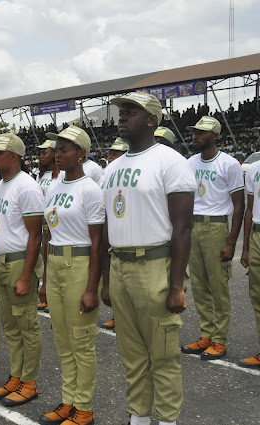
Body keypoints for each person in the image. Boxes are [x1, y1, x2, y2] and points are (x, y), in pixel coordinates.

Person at [102, 92, 195, 425]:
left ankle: (168, 421)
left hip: (155, 264)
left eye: (132, 112)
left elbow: (182, 228)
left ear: (152, 120)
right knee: (132, 356)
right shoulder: (112, 168)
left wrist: (177, 286)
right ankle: (139, 418)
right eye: (122, 111)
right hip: (120, 264)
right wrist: (107, 281)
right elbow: (108, 227)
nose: (123, 116)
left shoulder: (170, 161)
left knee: (163, 356)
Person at [39, 125, 104, 425]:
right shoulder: (54, 187)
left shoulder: (90, 189)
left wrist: (92, 288)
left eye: (64, 150)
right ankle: (68, 401)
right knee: (63, 341)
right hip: (55, 263)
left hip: (79, 264)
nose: (57, 155)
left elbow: (98, 243)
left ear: (81, 154)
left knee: (81, 342)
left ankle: (84, 407)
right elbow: (49, 235)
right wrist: (45, 278)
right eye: (56, 150)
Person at [0, 133, 44, 407]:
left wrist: (26, 276)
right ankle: (16, 376)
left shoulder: (27, 186)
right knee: (10, 326)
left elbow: (35, 236)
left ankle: (29, 382)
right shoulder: (0, 186)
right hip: (0, 263)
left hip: (18, 262)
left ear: (14, 156)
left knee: (27, 325)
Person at [181, 117, 243, 360]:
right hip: (193, 226)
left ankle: (219, 340)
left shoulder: (229, 164)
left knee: (218, 286)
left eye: (201, 132)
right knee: (199, 285)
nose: (195, 136)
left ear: (215, 135)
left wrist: (231, 242)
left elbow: (239, 206)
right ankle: (206, 334)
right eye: (194, 132)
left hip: (215, 227)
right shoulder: (190, 163)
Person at [99, 137, 129, 331]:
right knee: (113, 276)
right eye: (110, 153)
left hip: (127, 231)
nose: (110, 157)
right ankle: (117, 316)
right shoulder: (108, 173)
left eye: (115, 153)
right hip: (111, 227)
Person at [239, 159, 260, 369]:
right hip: (257, 235)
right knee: (257, 296)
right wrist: (245, 247)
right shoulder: (254, 169)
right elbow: (250, 209)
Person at [36, 138, 61, 312]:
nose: (41, 156)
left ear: (54, 154)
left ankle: (50, 295)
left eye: (45, 152)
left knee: (50, 261)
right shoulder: (41, 175)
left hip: (53, 223)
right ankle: (45, 294)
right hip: (40, 223)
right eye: (40, 153)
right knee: (43, 261)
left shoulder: (61, 175)